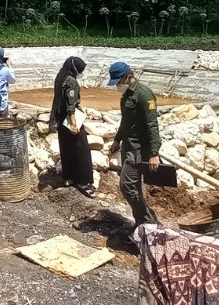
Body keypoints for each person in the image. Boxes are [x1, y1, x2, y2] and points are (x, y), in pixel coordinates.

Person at [107, 61, 160, 228]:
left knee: (126, 185)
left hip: (139, 149)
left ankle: (148, 221)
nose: (117, 85)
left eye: (119, 81)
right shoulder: (127, 96)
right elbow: (126, 121)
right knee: (134, 186)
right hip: (128, 146)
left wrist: (154, 153)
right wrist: (117, 139)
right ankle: (141, 224)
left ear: (128, 77)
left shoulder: (144, 95)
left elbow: (152, 124)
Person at [49, 56, 95, 196]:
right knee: (81, 149)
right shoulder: (71, 82)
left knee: (66, 147)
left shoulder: (60, 77)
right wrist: (74, 124)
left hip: (60, 117)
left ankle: (69, 176)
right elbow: (71, 105)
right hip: (70, 118)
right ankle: (83, 180)